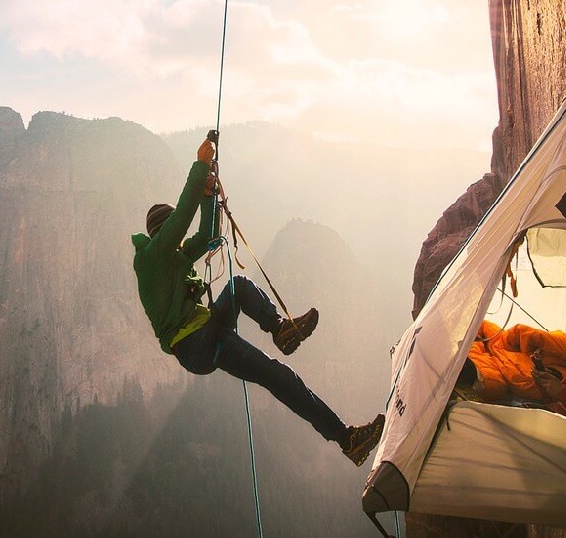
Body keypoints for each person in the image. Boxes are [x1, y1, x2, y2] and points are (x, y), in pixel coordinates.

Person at [131, 136, 384, 466]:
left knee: (239, 286)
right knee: (278, 376)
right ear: (160, 236)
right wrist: (200, 167)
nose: (179, 245)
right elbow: (180, 223)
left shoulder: (174, 258)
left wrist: (208, 197)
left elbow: (207, 237)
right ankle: (346, 438)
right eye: (172, 238)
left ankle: (280, 330)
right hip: (196, 345)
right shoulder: (151, 261)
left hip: (205, 331)